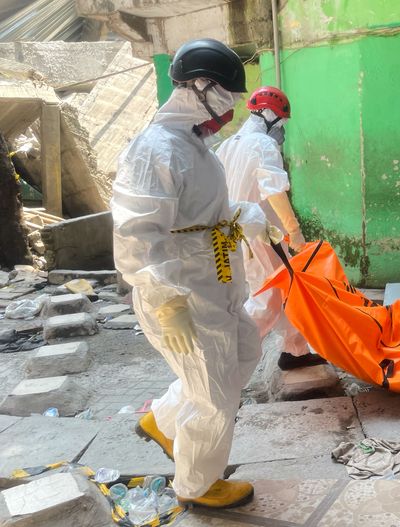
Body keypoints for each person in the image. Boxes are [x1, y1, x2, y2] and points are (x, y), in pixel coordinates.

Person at [113, 38, 277, 508]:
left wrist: (247, 217)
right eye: (227, 94)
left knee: (243, 353)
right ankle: (198, 486)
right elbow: (136, 234)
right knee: (213, 393)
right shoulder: (154, 150)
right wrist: (167, 302)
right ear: (201, 86)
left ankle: (162, 420)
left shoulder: (196, 145)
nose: (231, 107)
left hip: (216, 278)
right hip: (183, 290)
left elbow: (207, 212)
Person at [217, 86, 327, 370]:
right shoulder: (263, 146)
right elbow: (274, 191)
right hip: (262, 236)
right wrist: (295, 231)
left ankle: (295, 350)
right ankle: (231, 354)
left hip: (234, 235)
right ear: (267, 115)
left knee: (288, 290)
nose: (282, 130)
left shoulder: (227, 145)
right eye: (281, 122)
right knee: (267, 298)